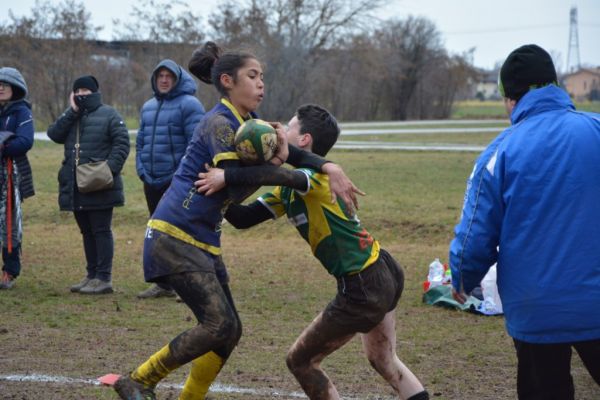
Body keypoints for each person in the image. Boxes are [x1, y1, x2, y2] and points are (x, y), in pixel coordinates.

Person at [113, 42, 362, 400]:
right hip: (174, 233)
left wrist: (323, 164)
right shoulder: (220, 122)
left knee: (229, 332)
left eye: (262, 77)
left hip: (202, 240)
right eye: (253, 76)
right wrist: (294, 175)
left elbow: (256, 172)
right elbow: (233, 174)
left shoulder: (249, 127)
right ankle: (138, 380)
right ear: (228, 80)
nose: (261, 84)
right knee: (219, 325)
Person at [195, 104, 429, 400]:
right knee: (383, 359)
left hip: (364, 285)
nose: (279, 130)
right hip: (382, 270)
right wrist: (219, 192)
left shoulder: (313, 178)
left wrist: (228, 177)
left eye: (289, 127)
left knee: (301, 360)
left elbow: (289, 177)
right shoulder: (290, 190)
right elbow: (243, 219)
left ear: (304, 140)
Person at [449, 44, 600, 400]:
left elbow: (475, 233)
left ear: (510, 99)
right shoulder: (595, 130)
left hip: (537, 310)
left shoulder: (500, 152)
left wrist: (462, 276)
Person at [47, 75, 130, 295]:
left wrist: (107, 171)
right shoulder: (72, 116)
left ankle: (104, 278)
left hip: (100, 184)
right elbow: (54, 134)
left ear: (95, 92)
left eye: (86, 90)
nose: (82, 94)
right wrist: (71, 111)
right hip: (75, 185)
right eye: (78, 90)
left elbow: (122, 144)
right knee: (86, 231)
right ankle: (91, 275)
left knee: (101, 230)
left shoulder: (110, 114)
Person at [136, 59, 206, 299]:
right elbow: (141, 142)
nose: (164, 80)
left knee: (181, 233)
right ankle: (164, 284)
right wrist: (141, 168)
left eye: (169, 76)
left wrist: (182, 177)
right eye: (160, 76)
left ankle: (188, 284)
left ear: (177, 79)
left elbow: (197, 144)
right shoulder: (147, 106)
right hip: (151, 179)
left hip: (177, 181)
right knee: (157, 234)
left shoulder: (190, 104)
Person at [0, 67, 35, 290]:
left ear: (15, 88)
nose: (0, 88)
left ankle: (10, 271)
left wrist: (2, 145)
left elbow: (25, 141)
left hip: (10, 176)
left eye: (5, 84)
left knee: (9, 223)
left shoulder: (21, 112)